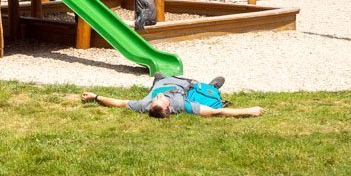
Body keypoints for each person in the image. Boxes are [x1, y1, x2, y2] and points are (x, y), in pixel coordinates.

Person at [81, 74, 265, 118]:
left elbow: (119, 103)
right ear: (169, 108)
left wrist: (96, 96)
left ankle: (158, 78)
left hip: (164, 80)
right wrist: (250, 110)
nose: (157, 98)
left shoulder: (144, 105)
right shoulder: (180, 104)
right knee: (206, 91)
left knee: (159, 75)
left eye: (156, 99)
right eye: (160, 100)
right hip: (184, 84)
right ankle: (213, 86)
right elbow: (216, 112)